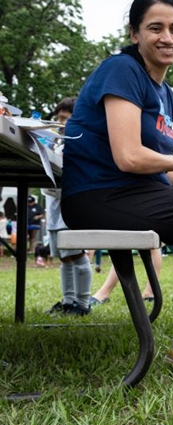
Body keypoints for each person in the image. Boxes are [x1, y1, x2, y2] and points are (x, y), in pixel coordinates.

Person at [60, 0, 173, 370]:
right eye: (155, 28)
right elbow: (129, 157)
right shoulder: (122, 69)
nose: (167, 37)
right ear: (134, 33)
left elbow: (166, 173)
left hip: (141, 193)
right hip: (99, 195)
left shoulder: (166, 95)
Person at [42, 97, 94, 315]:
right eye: (58, 119)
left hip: (70, 208)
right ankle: (68, 301)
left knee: (77, 255)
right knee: (64, 257)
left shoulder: (81, 141)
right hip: (55, 209)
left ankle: (83, 304)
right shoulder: (60, 141)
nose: (60, 123)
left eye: (65, 119)